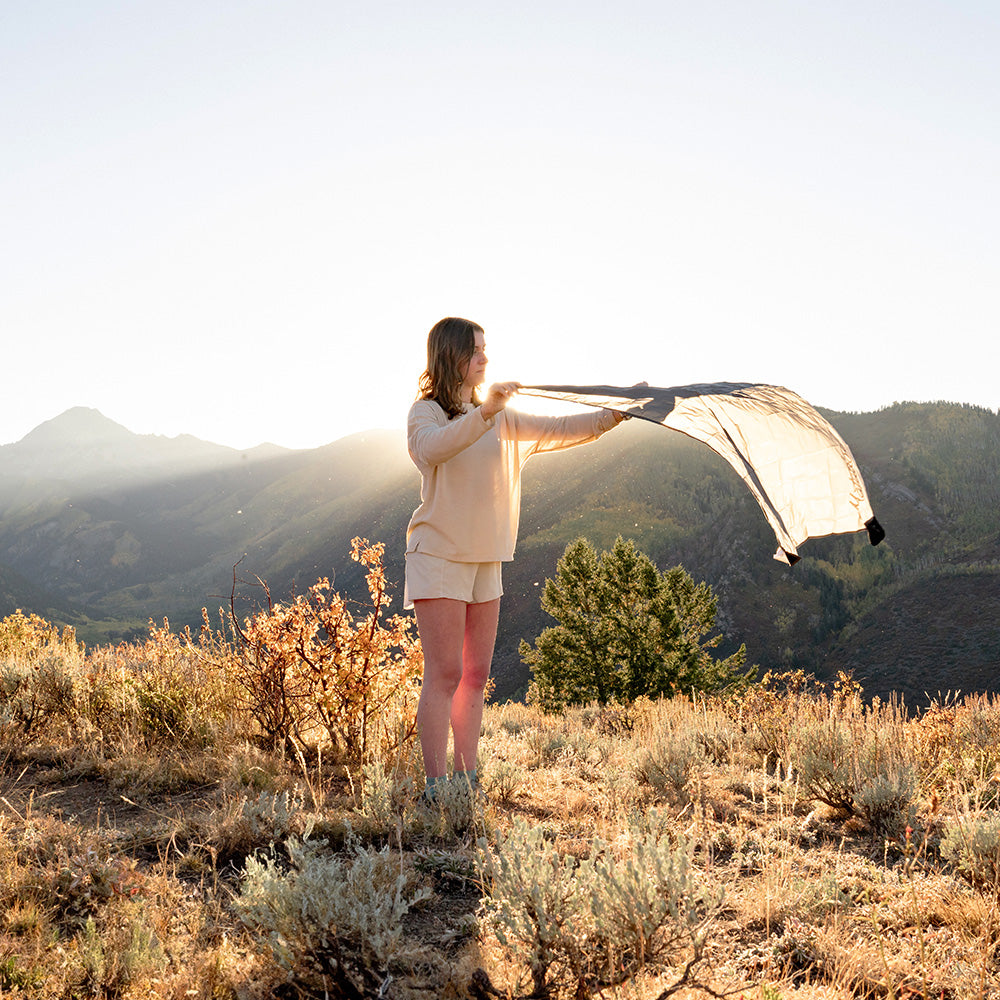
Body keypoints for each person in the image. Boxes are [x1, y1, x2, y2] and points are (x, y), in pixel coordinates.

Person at [403, 316, 628, 800]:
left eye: (487, 349)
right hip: (438, 555)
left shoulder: (499, 415)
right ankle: (435, 787)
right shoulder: (426, 414)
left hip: (487, 559)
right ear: (451, 357)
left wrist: (615, 415)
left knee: (476, 676)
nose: (485, 358)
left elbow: (563, 427)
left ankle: (466, 780)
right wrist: (485, 413)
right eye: (476, 351)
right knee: (444, 673)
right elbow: (435, 449)